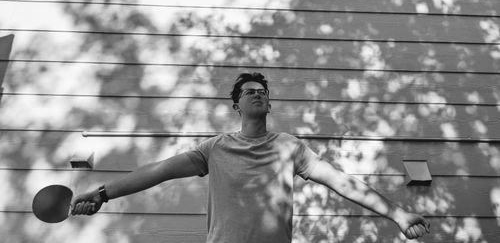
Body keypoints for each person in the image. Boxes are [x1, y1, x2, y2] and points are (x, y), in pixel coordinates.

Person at [72, 72, 430, 242]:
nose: (257, 95)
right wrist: (103, 194)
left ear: (269, 104)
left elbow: (341, 181)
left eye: (262, 92)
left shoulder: (290, 147)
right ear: (237, 105)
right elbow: (159, 171)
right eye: (249, 92)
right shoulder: (214, 148)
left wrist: (398, 212)